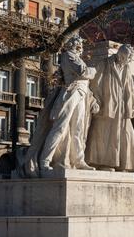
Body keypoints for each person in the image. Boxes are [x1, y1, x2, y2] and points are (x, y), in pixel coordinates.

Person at [39, 36, 98, 171]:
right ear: (73, 45)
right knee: (60, 127)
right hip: (71, 93)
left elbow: (84, 77)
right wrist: (93, 71)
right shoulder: (68, 56)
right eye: (79, 45)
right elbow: (82, 71)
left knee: (78, 129)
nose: (81, 48)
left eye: (81, 45)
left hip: (81, 94)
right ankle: (45, 161)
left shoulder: (78, 58)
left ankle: (79, 161)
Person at [85, 44, 134, 172]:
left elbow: (130, 89)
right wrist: (96, 101)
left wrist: (132, 104)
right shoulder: (104, 64)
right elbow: (94, 84)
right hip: (106, 106)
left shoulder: (126, 68)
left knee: (126, 135)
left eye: (131, 58)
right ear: (121, 55)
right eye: (128, 57)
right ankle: (103, 163)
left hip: (122, 108)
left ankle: (125, 165)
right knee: (104, 137)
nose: (130, 60)